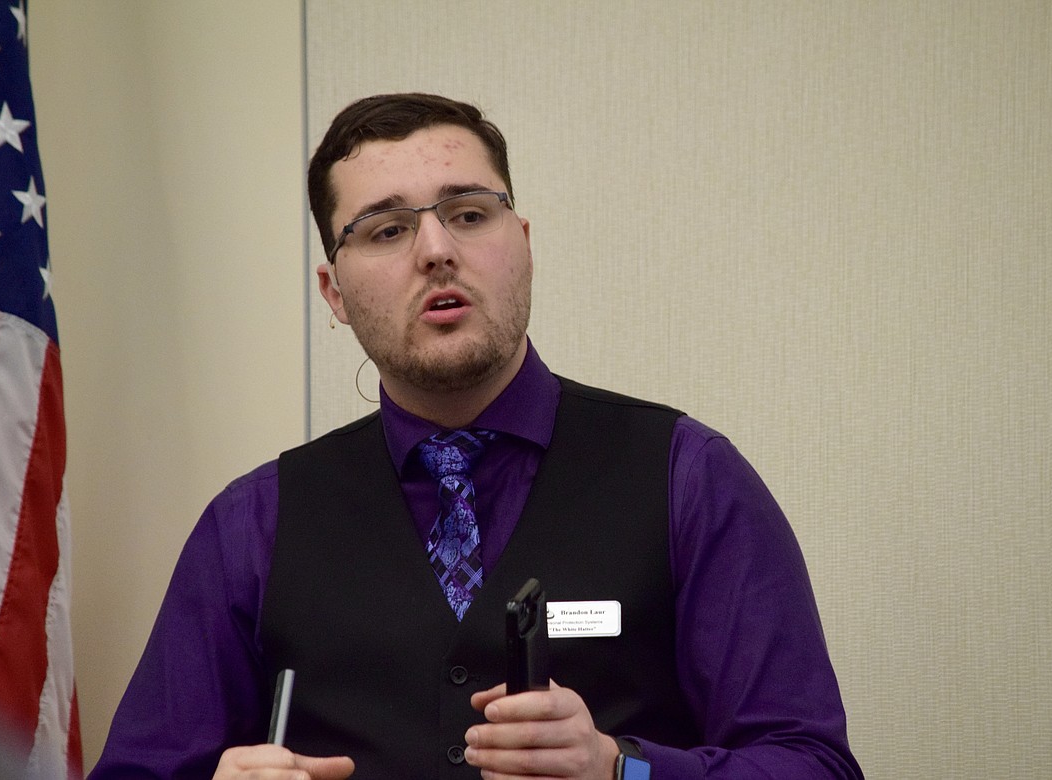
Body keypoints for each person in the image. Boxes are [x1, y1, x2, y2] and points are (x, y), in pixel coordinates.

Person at [89, 93, 862, 780]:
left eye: (467, 213)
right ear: (335, 293)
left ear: (521, 243)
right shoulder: (252, 524)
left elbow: (812, 763)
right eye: (386, 229)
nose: (435, 250)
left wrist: (620, 770)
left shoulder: (687, 477)